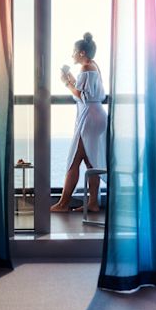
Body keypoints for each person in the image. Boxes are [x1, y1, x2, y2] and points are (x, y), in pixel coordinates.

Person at [50, 32, 107, 212]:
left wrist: (66, 84)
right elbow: (87, 92)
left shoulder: (86, 68)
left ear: (82, 52)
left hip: (89, 117)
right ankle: (92, 203)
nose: (72, 54)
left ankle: (63, 203)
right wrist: (70, 80)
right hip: (96, 115)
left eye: (74, 51)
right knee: (91, 161)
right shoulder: (93, 67)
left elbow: (83, 96)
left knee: (74, 159)